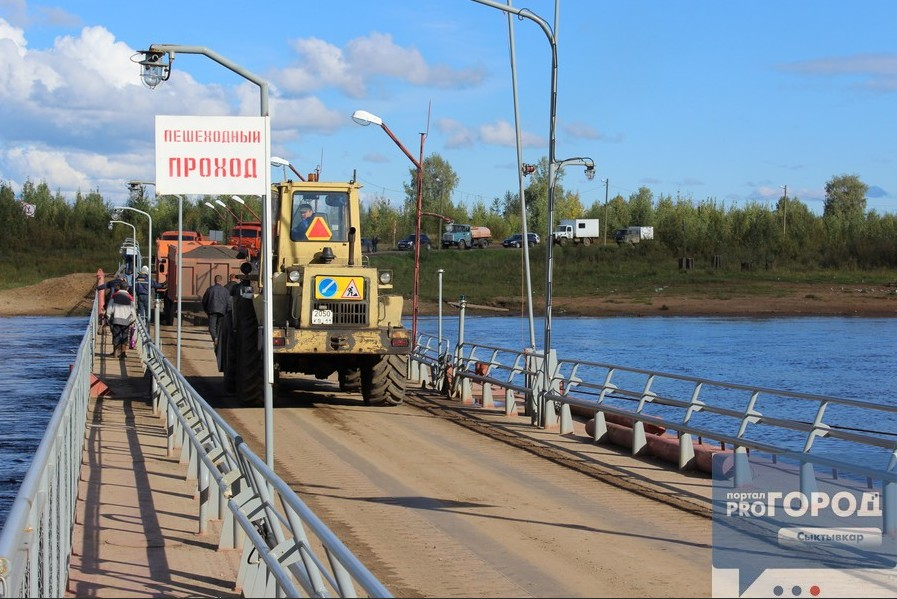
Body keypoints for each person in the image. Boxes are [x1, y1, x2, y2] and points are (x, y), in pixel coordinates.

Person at [105, 282, 135, 359]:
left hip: (116, 319)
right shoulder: (130, 298)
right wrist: (132, 319)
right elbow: (133, 311)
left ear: (119, 287)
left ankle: (115, 353)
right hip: (126, 320)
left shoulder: (114, 296)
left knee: (116, 336)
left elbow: (109, 308)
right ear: (127, 288)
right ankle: (123, 354)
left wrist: (108, 316)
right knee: (124, 337)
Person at [201, 275, 230, 345]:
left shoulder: (210, 289)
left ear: (214, 280)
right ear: (221, 281)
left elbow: (204, 301)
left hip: (212, 310)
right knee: (219, 327)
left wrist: (206, 310)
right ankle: (218, 340)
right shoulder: (225, 290)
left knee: (212, 327)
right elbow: (228, 302)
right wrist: (226, 311)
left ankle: (215, 338)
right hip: (222, 311)